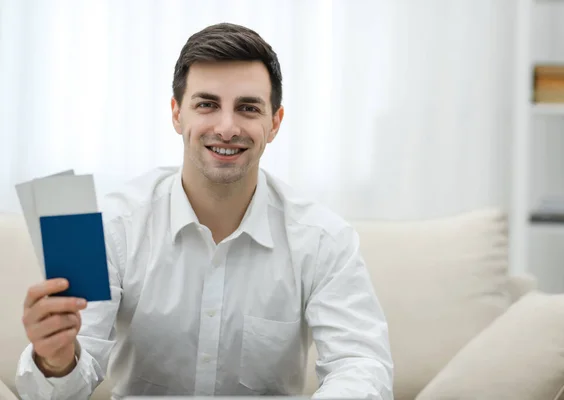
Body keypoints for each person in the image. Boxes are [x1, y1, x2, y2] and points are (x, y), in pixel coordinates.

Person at [15, 22, 393, 399]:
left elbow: (361, 363)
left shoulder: (325, 238)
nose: (227, 128)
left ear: (274, 123)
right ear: (177, 114)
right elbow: (62, 390)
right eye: (207, 104)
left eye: (248, 108)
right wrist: (55, 360)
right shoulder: (107, 226)